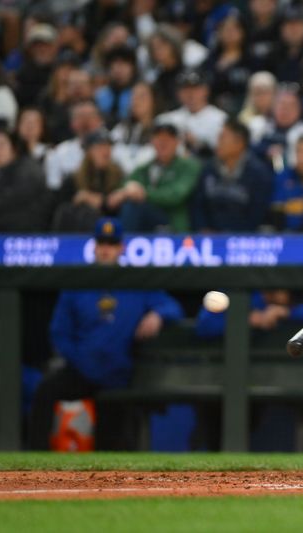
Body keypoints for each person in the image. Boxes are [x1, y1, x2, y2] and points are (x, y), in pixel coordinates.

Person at [28, 218, 183, 450]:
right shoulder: (77, 283)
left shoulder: (137, 282)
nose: (106, 249)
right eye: (101, 243)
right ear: (94, 246)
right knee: (45, 391)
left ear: (121, 248)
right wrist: (84, 363)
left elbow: (173, 308)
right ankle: (35, 462)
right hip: (81, 371)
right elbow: (59, 333)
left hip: (118, 374)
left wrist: (158, 315)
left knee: (112, 440)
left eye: (111, 244)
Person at [111, 123, 201, 232]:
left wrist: (144, 193)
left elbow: (176, 195)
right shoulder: (145, 168)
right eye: (158, 138)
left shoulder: (188, 166)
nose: (163, 143)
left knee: (134, 206)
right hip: (146, 222)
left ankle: (122, 243)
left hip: (173, 224)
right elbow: (128, 183)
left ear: (177, 142)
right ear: (152, 142)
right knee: (129, 205)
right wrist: (125, 192)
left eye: (167, 139)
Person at [191, 119, 273, 232]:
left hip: (244, 240)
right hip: (209, 237)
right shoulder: (208, 169)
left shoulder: (259, 174)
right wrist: (203, 228)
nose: (218, 142)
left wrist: (231, 236)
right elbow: (198, 205)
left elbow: (258, 213)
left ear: (239, 143)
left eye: (222, 138)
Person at [52, 129, 125, 232]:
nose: (106, 151)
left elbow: (116, 205)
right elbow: (61, 209)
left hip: (110, 231)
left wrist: (93, 199)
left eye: (108, 146)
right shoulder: (74, 179)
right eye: (100, 147)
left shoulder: (118, 175)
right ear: (89, 151)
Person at [156, 69, 228, 158]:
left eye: (195, 88)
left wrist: (198, 144)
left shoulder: (221, 119)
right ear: (178, 93)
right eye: (185, 89)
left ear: (206, 90)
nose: (190, 94)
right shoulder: (167, 120)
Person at [44, 100, 105, 191]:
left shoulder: (115, 150)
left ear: (100, 121)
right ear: (72, 123)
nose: (85, 122)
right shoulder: (58, 153)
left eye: (90, 116)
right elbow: (54, 188)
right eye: (80, 117)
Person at [0, 128, 49, 232]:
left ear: (14, 148)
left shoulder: (28, 168)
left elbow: (14, 198)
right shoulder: (3, 169)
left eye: (1, 145)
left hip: (26, 229)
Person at [110, 82, 160, 175]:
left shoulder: (162, 127)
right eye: (133, 97)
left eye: (141, 97)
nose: (135, 101)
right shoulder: (120, 129)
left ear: (154, 100)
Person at [94, 46, 138, 129]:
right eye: (115, 64)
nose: (119, 69)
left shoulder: (137, 94)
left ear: (133, 68)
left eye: (124, 63)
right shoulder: (100, 95)